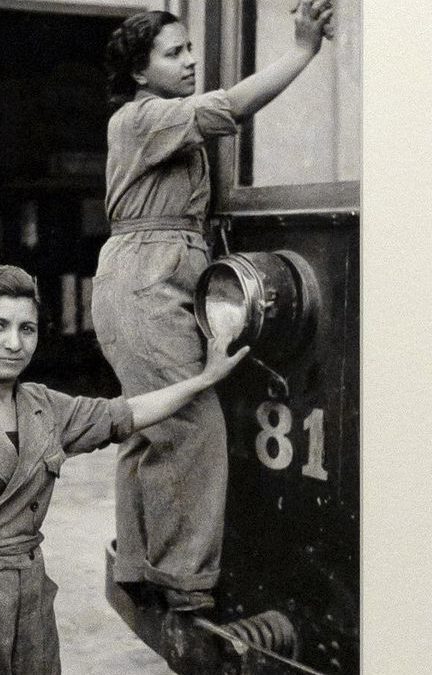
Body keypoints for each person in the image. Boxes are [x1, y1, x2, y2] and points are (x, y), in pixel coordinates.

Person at [0, 265, 248, 674]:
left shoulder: (45, 408)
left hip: (30, 606)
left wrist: (203, 379)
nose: (13, 343)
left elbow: (126, 412)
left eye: (27, 329)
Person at [91, 3, 334, 612]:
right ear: (140, 73)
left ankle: (141, 566)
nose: (191, 60)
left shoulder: (158, 122)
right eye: (173, 54)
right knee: (191, 425)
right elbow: (231, 108)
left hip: (151, 272)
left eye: (190, 48)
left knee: (149, 424)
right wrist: (304, 49)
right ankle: (183, 581)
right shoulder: (140, 117)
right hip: (148, 276)